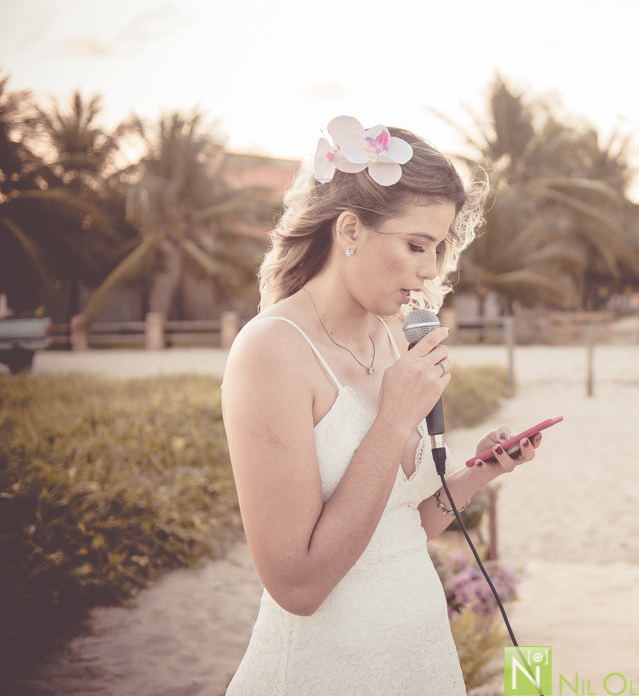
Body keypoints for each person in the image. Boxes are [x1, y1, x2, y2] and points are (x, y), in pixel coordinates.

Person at [221, 117, 541, 695]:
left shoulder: (394, 335)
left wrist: (477, 473)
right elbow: (298, 586)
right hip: (328, 668)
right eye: (417, 245)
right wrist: (395, 418)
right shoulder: (271, 352)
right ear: (350, 230)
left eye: (439, 249)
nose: (431, 270)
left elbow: (398, 527)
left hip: (417, 657)